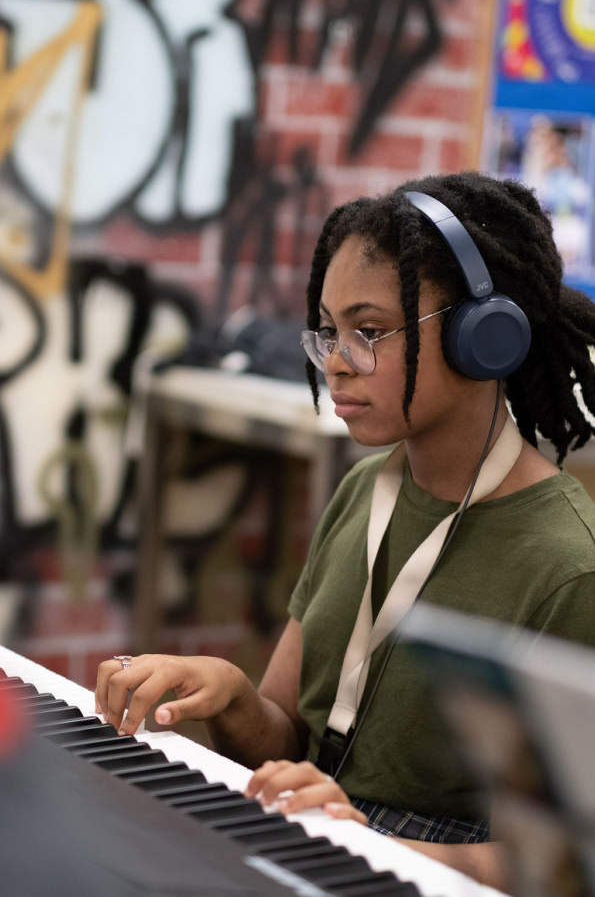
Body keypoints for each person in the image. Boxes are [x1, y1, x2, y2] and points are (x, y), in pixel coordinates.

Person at [96, 171, 595, 889]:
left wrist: (374, 841)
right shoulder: (367, 487)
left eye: (367, 332)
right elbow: (292, 742)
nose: (334, 361)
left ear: (483, 337)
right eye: (327, 332)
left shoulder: (568, 566)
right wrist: (233, 694)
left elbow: (559, 866)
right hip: (323, 853)